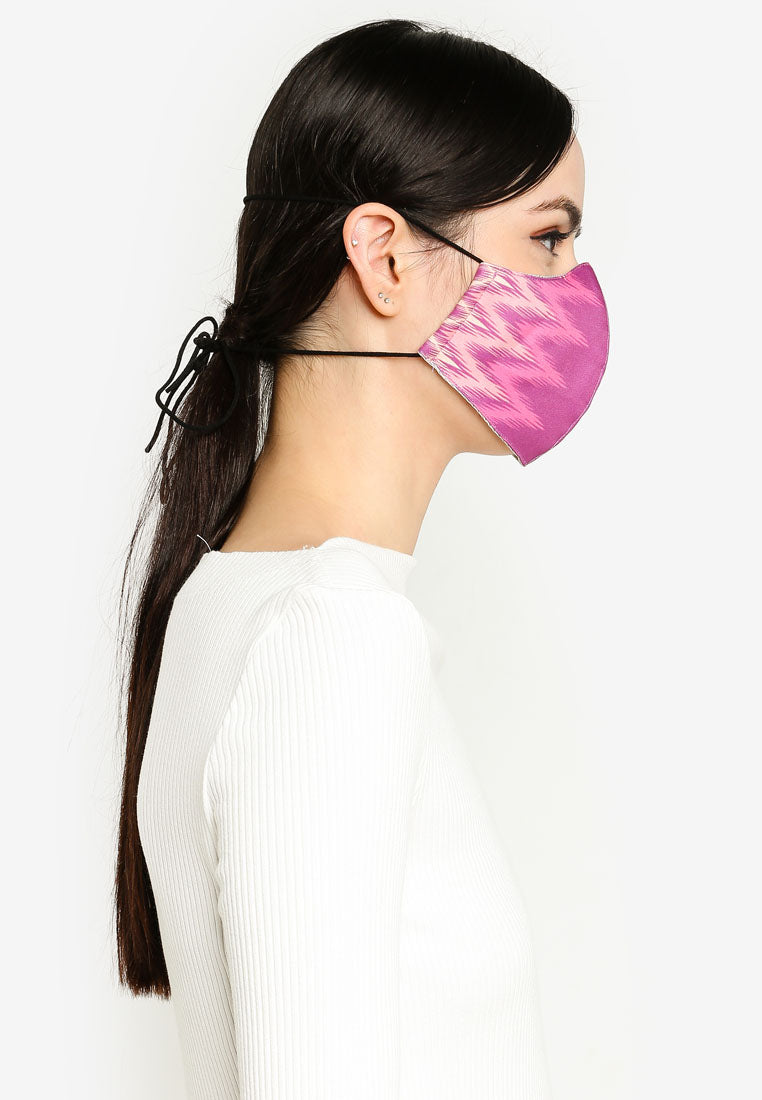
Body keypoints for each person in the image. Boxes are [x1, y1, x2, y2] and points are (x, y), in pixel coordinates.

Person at [114, 17, 609, 1100]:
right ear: (385, 256)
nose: (577, 289)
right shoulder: (336, 633)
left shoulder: (233, 597)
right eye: (549, 238)